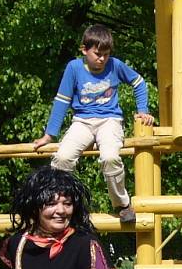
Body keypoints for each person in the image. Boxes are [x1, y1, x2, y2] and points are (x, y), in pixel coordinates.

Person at [32, 24, 154, 223]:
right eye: (97, 54)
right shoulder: (74, 67)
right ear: (84, 50)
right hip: (82, 121)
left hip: (110, 120)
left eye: (106, 54)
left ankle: (122, 205)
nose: (102, 59)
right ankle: (60, 204)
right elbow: (62, 100)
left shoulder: (115, 65)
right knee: (62, 158)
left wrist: (143, 110)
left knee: (110, 157)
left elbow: (139, 83)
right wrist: (49, 134)